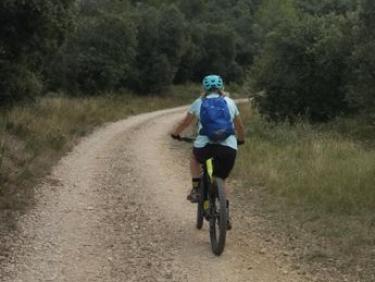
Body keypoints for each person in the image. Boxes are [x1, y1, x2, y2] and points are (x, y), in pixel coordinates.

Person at [171, 74, 245, 229]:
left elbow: (185, 122)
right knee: (221, 178)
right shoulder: (230, 102)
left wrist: (175, 133)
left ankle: (197, 188)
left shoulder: (199, 102)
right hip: (228, 148)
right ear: (222, 87)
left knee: (194, 158)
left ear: (204, 88)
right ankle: (225, 215)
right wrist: (241, 139)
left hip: (205, 147)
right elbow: (239, 127)